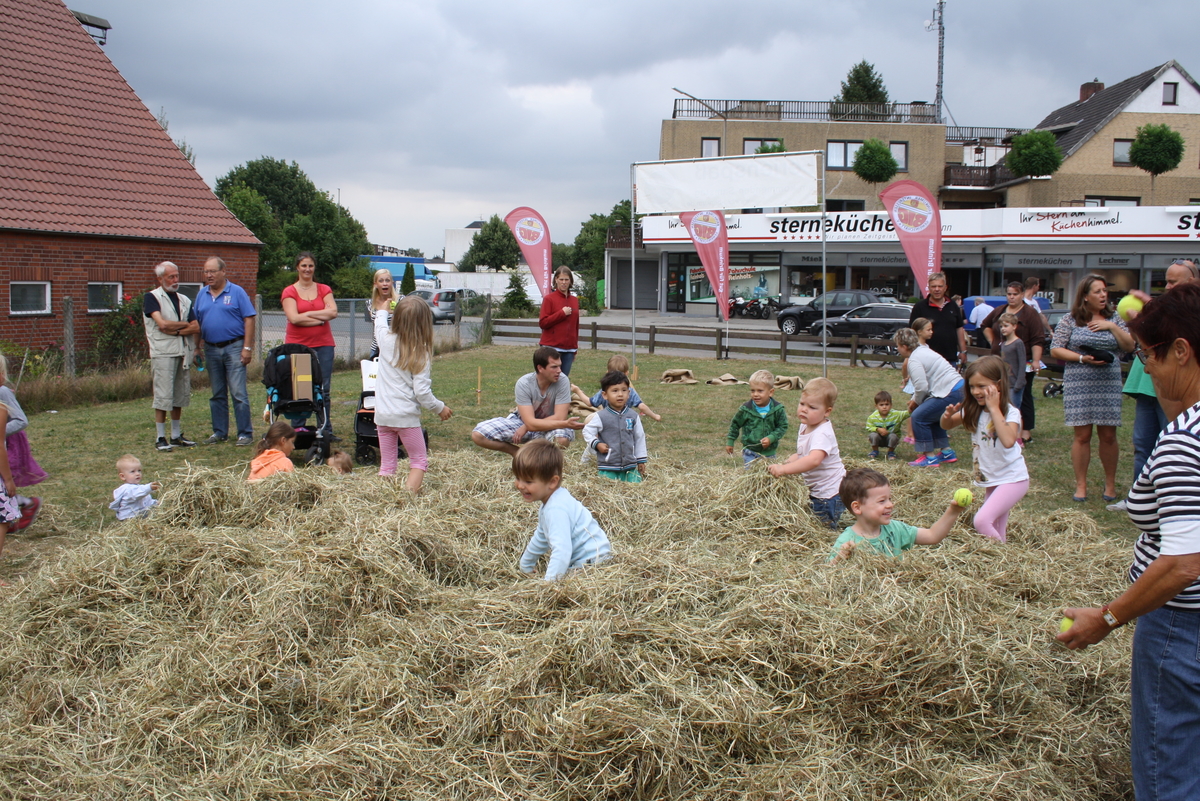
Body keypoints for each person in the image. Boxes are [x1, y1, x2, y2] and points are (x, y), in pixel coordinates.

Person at [1058, 282, 1200, 801]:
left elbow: (1185, 563)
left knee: (1170, 768)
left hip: (1182, 628)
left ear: (1181, 351)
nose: (1148, 369)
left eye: (1150, 356)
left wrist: (1109, 616)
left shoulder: (1187, 442)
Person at [1109, 258, 1199, 512]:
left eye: (1174, 281)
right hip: (1150, 393)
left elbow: (1182, 551)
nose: (1147, 366)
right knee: (1145, 443)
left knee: (1169, 438)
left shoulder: (1185, 441)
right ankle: (1145, 495)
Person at [1049, 274, 1134, 502]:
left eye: (1104, 290)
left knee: (1108, 435)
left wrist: (1111, 327)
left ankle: (1110, 484)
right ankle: (1081, 485)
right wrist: (1081, 358)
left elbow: (1129, 346)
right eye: (1097, 291)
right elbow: (1056, 349)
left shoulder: (1115, 318)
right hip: (1080, 381)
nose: (1103, 295)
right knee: (1082, 436)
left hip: (1108, 382)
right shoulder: (1071, 319)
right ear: (1085, 297)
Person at [940, 356, 1029, 542]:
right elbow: (946, 425)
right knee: (996, 527)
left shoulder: (1010, 413)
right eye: (972, 387)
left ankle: (1007, 557)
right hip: (992, 478)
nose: (975, 392)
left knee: (981, 521)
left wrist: (994, 408)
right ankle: (1004, 562)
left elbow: (1008, 440)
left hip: (1013, 478)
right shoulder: (975, 410)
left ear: (998, 385)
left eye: (981, 386)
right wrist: (947, 416)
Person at [373, 294, 453, 492]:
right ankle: (406, 499)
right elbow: (422, 393)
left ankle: (382, 499)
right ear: (424, 323)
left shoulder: (385, 341)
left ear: (397, 318)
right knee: (418, 461)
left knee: (387, 465)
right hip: (406, 417)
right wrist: (440, 408)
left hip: (382, 415)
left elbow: (379, 324)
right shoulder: (421, 353)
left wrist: (383, 309)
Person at [515, 439, 612, 581]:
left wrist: (548, 586)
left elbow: (562, 551)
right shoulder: (552, 501)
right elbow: (541, 537)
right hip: (592, 559)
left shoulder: (556, 509)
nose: (520, 485)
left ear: (552, 482)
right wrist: (526, 565)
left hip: (592, 564)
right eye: (518, 478)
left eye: (528, 481)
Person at [829, 468, 966, 562]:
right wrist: (839, 558)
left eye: (890, 499)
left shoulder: (895, 529)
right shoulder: (848, 541)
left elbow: (932, 536)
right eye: (882, 501)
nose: (890, 504)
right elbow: (828, 575)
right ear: (857, 507)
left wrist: (953, 511)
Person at [471, 346, 584, 455]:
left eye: (560, 366)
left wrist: (527, 426)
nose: (559, 371)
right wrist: (527, 425)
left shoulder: (563, 380)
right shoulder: (524, 383)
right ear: (540, 368)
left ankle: (546, 461)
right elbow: (530, 422)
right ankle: (519, 454)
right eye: (554, 367)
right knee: (478, 434)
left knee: (561, 440)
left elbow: (560, 418)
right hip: (521, 422)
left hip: (550, 425)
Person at [767, 377, 847, 529]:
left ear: (827, 412)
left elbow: (814, 460)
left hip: (829, 494)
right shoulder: (806, 425)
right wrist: (794, 459)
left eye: (812, 407)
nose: (804, 409)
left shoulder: (822, 433)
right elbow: (806, 454)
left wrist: (783, 470)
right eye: (802, 404)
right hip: (818, 490)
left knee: (823, 529)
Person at [194, 257, 256, 447]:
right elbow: (197, 323)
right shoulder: (201, 295)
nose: (209, 275)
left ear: (223, 271)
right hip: (211, 348)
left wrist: (247, 348)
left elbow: (249, 319)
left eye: (212, 271)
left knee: (238, 392)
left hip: (234, 347)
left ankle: (245, 433)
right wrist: (197, 347)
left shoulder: (237, 292)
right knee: (217, 393)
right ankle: (220, 432)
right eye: (206, 272)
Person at [143, 261, 200, 452]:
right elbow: (162, 324)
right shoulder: (152, 298)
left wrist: (176, 328)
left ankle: (176, 435)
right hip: (163, 352)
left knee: (179, 395)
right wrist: (183, 326)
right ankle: (160, 437)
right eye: (171, 277)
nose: (175, 280)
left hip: (182, 351)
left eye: (177, 276)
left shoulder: (184, 299)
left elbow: (195, 326)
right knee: (163, 395)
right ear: (160, 279)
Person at [982, 281, 1047, 446]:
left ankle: (1024, 432)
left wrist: (1036, 360)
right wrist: (993, 342)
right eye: (1009, 294)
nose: (1011, 297)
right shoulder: (999, 311)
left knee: (1023, 396)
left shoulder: (1030, 313)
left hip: (1022, 360)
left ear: (1022, 294)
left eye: (1015, 294)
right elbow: (985, 325)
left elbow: (1038, 338)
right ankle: (1000, 428)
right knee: (1000, 394)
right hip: (1000, 360)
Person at [281, 252, 338, 439]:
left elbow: (334, 312)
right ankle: (298, 431)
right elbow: (294, 318)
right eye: (304, 266)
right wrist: (320, 317)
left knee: (323, 389)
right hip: (298, 347)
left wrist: (306, 316)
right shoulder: (289, 291)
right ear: (297, 267)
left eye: (310, 266)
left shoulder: (324, 289)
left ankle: (325, 429)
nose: (307, 269)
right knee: (301, 389)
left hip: (324, 345)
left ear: (314, 268)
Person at [894, 327, 963, 467]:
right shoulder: (923, 350)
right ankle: (946, 452)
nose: (897, 349)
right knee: (933, 416)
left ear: (905, 346)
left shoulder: (914, 360)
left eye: (897, 346)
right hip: (958, 388)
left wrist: (915, 402)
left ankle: (929, 458)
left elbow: (921, 387)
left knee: (919, 417)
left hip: (950, 391)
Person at [0, 355, 44, 530]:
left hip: (8, 445)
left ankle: (26, 504)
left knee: (3, 486)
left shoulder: (2, 392)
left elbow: (21, 420)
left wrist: (1, 432)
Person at [583, 370, 648, 482]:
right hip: (609, 467)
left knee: (637, 485)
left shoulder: (633, 416)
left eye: (624, 390)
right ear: (604, 395)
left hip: (630, 467)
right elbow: (587, 431)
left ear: (629, 393)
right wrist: (597, 444)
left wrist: (641, 460)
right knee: (607, 487)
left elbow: (639, 437)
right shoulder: (601, 416)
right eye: (615, 391)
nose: (620, 394)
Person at [725, 369, 788, 466]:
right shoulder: (746, 409)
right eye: (752, 390)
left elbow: (782, 426)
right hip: (750, 452)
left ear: (770, 392)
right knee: (751, 477)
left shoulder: (777, 409)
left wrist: (771, 438)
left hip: (769, 454)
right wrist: (730, 441)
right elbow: (735, 424)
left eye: (760, 391)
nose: (755, 394)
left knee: (770, 478)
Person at [573, 353, 661, 421]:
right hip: (625, 421)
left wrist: (578, 391)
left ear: (607, 372)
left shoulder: (604, 392)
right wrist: (655, 416)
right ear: (627, 373)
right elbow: (642, 407)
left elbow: (589, 403)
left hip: (606, 421)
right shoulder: (630, 391)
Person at [908, 272, 967, 369]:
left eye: (940, 286)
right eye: (933, 286)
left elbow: (959, 329)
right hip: (926, 358)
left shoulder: (953, 305)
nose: (937, 289)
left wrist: (963, 351)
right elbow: (912, 332)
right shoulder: (920, 307)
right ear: (929, 288)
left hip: (950, 358)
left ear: (945, 287)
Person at [538, 266, 581, 376]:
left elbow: (575, 326)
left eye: (566, 279)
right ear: (556, 280)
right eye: (561, 279)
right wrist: (561, 314)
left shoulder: (574, 300)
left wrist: (574, 348)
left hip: (569, 350)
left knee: (563, 381)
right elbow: (543, 323)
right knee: (550, 379)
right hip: (552, 347)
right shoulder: (549, 299)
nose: (564, 282)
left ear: (570, 281)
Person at [109, 454, 160, 521]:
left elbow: (146, 501)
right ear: (123, 476)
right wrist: (149, 487)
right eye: (132, 471)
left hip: (139, 514)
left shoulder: (138, 488)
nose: (137, 473)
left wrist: (155, 503)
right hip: (130, 517)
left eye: (139, 470)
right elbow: (137, 494)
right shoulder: (126, 489)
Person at [865, 390, 908, 460]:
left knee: (893, 436)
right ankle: (875, 451)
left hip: (891, 438)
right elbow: (868, 427)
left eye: (887, 404)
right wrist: (877, 429)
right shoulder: (872, 417)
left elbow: (907, 413)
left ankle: (891, 452)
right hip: (879, 438)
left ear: (891, 405)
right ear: (876, 406)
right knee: (873, 435)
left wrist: (911, 408)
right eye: (881, 405)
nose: (884, 407)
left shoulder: (896, 414)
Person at [997, 313, 1027, 408]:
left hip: (1015, 384)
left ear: (1014, 326)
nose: (1003, 329)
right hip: (1006, 383)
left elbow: (1022, 363)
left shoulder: (1018, 343)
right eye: (1001, 326)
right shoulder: (1003, 344)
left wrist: (1019, 382)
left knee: (1013, 409)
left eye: (1006, 326)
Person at [368, 268, 396, 360]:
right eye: (381, 281)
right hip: (377, 346)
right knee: (372, 374)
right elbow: (375, 324)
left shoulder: (400, 300)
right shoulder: (370, 303)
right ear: (376, 284)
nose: (385, 283)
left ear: (392, 283)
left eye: (387, 280)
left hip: (395, 345)